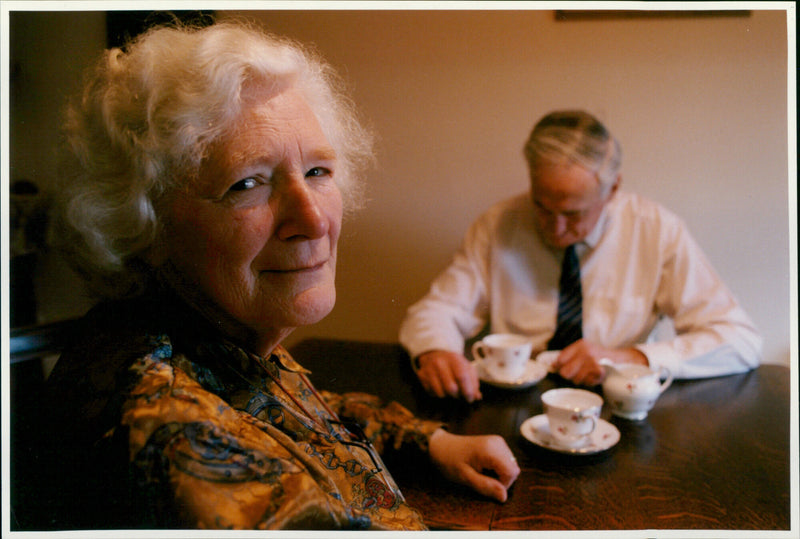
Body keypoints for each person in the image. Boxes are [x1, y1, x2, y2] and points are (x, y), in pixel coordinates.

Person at [32, 20, 519, 531]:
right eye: (247, 183)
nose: (312, 220)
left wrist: (432, 442)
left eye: (317, 172)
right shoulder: (181, 442)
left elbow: (295, 412)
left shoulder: (210, 330)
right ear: (145, 223)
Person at [399, 110, 762, 402]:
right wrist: (435, 352)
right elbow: (436, 311)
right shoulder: (499, 224)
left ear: (613, 189)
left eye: (573, 214)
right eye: (542, 207)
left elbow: (740, 341)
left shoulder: (658, 231)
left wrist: (630, 358)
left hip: (616, 403)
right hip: (515, 403)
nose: (555, 229)